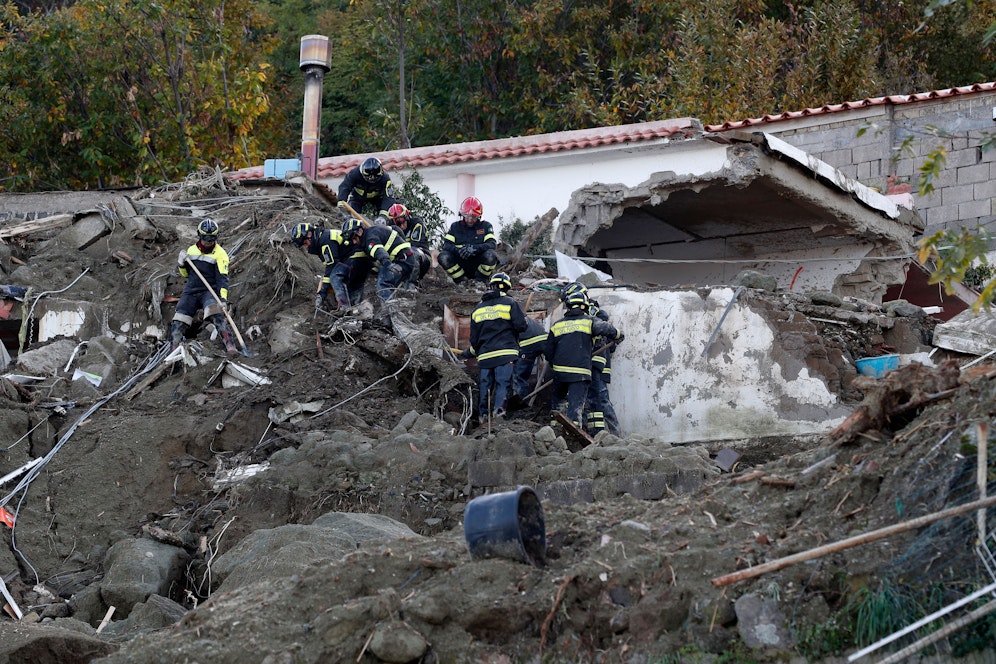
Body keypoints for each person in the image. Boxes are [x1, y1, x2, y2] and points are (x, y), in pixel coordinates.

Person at [543, 290, 621, 428]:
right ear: (584, 307)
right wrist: (618, 335)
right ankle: (573, 434)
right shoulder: (589, 321)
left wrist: (555, 366)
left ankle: (554, 434)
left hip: (560, 373)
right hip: (580, 373)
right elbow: (605, 327)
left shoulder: (557, 325)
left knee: (558, 405)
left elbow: (548, 351)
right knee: (575, 407)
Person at [460, 272, 528, 423]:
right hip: (506, 354)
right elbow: (521, 326)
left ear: (491, 286)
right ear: (507, 287)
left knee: (485, 385)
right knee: (502, 383)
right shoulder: (510, 302)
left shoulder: (478, 309)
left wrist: (470, 352)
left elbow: (474, 339)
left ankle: (482, 416)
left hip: (485, 356)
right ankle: (498, 415)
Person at [169, 218, 238, 354]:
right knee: (178, 322)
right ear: (199, 236)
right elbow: (185, 275)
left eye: (212, 238)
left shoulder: (220, 254)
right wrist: (181, 264)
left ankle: (230, 346)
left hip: (209, 290)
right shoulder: (191, 251)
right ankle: (172, 353)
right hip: (191, 291)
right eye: (205, 238)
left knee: (217, 314)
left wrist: (222, 299)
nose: (208, 241)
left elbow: (222, 279)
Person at [290, 222, 368, 310]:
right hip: (360, 259)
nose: (306, 247)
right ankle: (355, 312)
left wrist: (322, 291)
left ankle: (345, 308)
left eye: (305, 243)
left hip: (356, 258)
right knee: (352, 291)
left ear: (309, 234)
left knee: (335, 276)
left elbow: (332, 265)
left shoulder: (324, 240)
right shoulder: (322, 238)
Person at [342, 218, 415, 303]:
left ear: (360, 231)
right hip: (406, 258)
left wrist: (388, 266)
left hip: (402, 260)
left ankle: (390, 311)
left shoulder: (370, 239)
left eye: (354, 238)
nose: (354, 242)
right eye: (351, 240)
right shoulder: (373, 231)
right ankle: (402, 305)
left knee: (383, 284)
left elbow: (379, 252)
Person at [437, 196, 498, 285]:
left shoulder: (486, 226)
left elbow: (492, 244)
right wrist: (459, 251)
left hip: (478, 261)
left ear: (479, 216)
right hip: (460, 263)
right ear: (462, 215)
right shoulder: (455, 227)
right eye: (467, 216)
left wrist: (475, 248)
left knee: (491, 255)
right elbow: (446, 245)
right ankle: (461, 281)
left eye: (473, 216)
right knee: (443, 256)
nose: (470, 219)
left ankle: (481, 280)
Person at [336, 157, 397, 221]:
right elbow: (345, 187)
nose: (371, 180)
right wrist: (341, 203)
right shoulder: (354, 174)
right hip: (358, 197)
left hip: (377, 198)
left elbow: (388, 197)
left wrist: (383, 217)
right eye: (369, 177)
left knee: (387, 216)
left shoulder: (385, 178)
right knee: (353, 215)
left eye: (375, 178)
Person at [387, 203, 432, 288]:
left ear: (407, 217)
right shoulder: (390, 229)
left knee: (411, 253)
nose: (401, 225)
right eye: (396, 222)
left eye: (402, 220)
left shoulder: (416, 223)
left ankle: (412, 286)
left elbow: (415, 244)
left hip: (422, 257)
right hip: (401, 258)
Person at [510, 315, 548, 406]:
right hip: (545, 340)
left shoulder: (502, 320)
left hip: (529, 343)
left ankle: (520, 406)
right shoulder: (514, 311)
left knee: (519, 376)